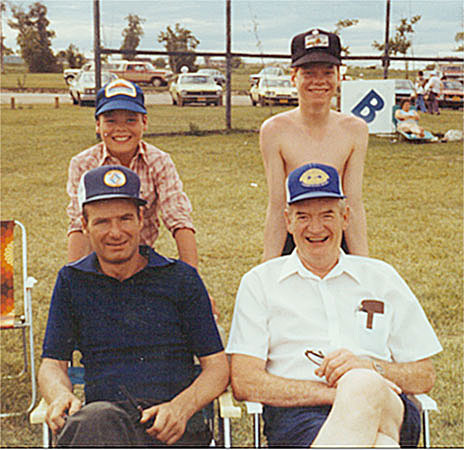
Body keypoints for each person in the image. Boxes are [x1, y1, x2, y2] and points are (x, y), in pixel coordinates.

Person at [227, 163, 442, 447]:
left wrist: (369, 369)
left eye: (327, 214)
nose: (315, 228)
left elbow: (424, 374)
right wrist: (336, 393)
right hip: (300, 416)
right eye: (303, 216)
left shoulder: (381, 277)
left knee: (362, 382)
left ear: (345, 217)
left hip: (388, 406)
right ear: (288, 221)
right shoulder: (260, 284)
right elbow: (245, 381)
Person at [38, 165, 229, 447]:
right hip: (103, 426)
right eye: (102, 222)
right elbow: (52, 364)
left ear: (141, 219)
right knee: (96, 421)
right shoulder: (72, 281)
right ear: (85, 225)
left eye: (125, 218)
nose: (115, 232)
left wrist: (182, 408)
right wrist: (58, 395)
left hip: (171, 426)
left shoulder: (180, 278)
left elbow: (217, 367)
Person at [260, 29, 369, 261]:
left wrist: (364, 266)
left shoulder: (355, 130)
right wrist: (267, 268)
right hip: (295, 235)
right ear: (293, 77)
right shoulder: (274, 130)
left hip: (335, 235)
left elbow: (354, 205)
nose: (318, 81)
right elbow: (277, 206)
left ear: (339, 77)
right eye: (308, 73)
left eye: (327, 72)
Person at [66, 78, 198, 269]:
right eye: (110, 121)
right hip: (99, 260)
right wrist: (73, 278)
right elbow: (78, 224)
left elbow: (178, 218)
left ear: (144, 122)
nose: (121, 128)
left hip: (141, 259)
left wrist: (193, 281)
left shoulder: (159, 161)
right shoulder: (83, 163)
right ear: (98, 124)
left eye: (131, 120)